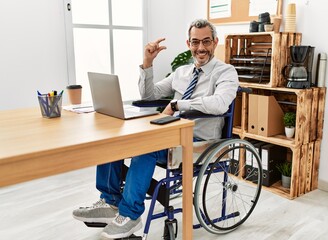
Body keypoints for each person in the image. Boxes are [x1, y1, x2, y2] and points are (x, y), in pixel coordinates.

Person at [72, 18, 239, 239]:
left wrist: (178, 104)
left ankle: (130, 216)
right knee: (113, 140)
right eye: (195, 42)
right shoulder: (181, 72)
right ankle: (110, 201)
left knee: (146, 147)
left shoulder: (226, 72)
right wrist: (147, 64)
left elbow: (219, 103)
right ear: (188, 43)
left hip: (198, 141)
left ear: (215, 42)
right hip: (171, 134)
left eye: (206, 41)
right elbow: (149, 96)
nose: (201, 48)